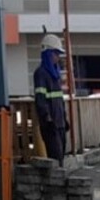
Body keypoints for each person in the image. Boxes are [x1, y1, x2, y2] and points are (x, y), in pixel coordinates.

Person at [33, 33, 68, 166]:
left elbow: (59, 100)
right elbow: (41, 99)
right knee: (56, 157)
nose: (58, 57)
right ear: (48, 53)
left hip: (59, 123)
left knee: (61, 156)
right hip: (50, 124)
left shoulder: (55, 75)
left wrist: (64, 119)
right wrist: (47, 118)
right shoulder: (41, 74)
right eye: (55, 53)